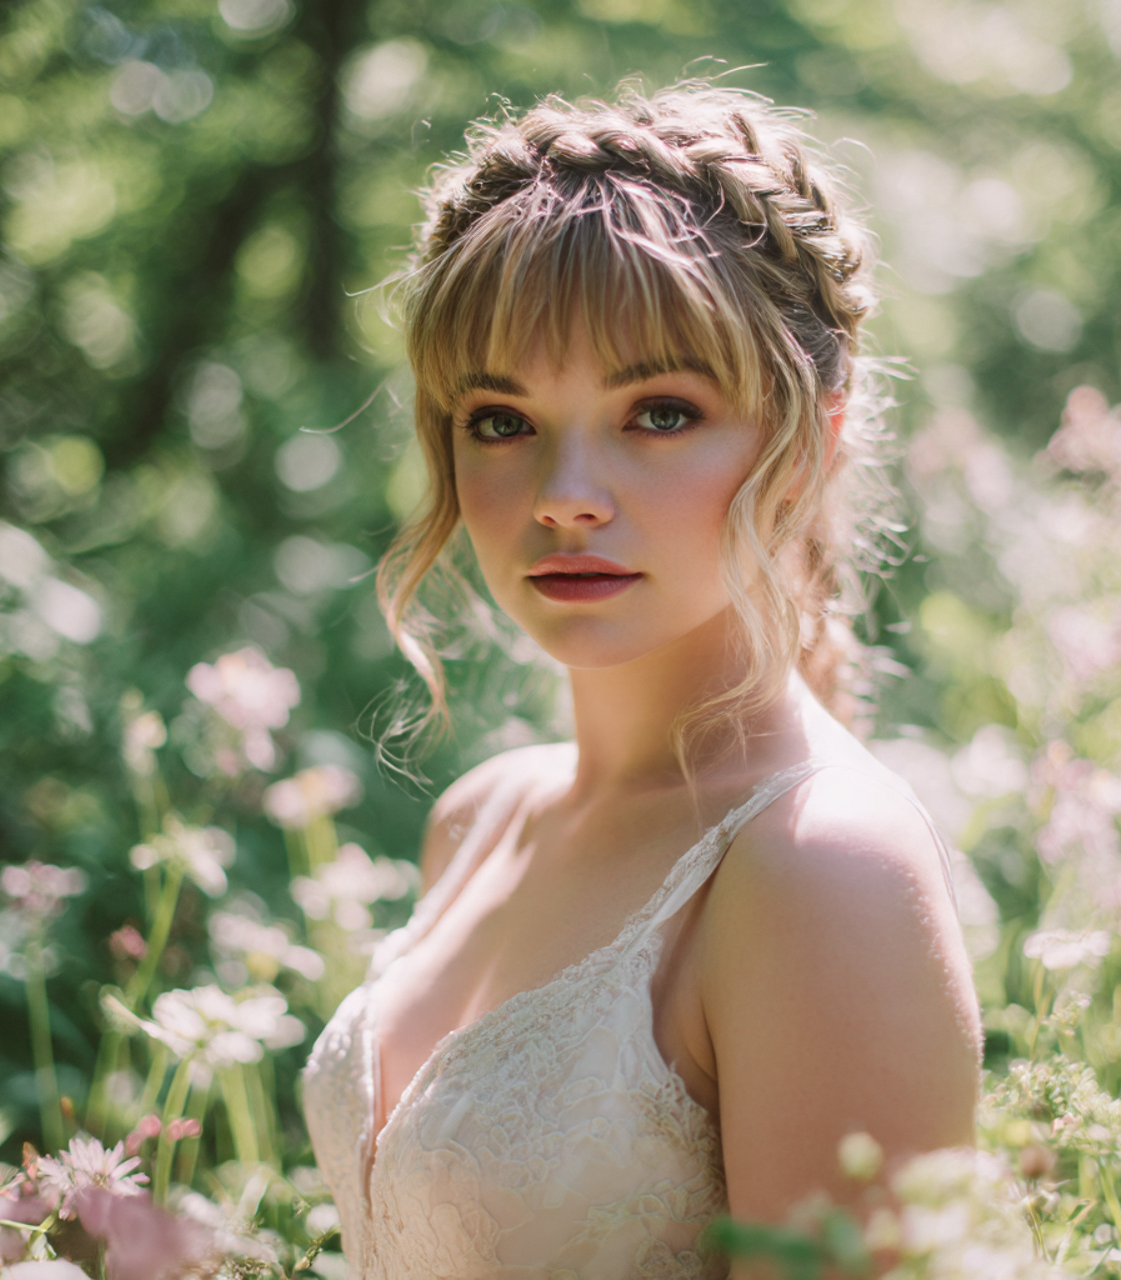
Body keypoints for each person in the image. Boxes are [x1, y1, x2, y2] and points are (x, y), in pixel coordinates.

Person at [302, 80, 982, 1280]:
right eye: (500, 419)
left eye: (658, 411)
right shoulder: (480, 818)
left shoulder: (817, 865)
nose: (564, 491)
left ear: (805, 446)